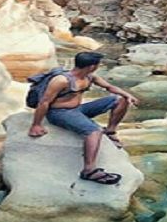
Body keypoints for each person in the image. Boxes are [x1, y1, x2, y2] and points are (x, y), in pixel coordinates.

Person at [28, 52, 139, 185]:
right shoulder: (61, 80)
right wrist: (36, 125)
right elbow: (44, 102)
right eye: (98, 64)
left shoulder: (89, 76)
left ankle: (110, 131)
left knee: (120, 99)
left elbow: (109, 87)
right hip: (59, 113)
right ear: (92, 66)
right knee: (94, 131)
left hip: (78, 109)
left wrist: (127, 95)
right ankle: (89, 171)